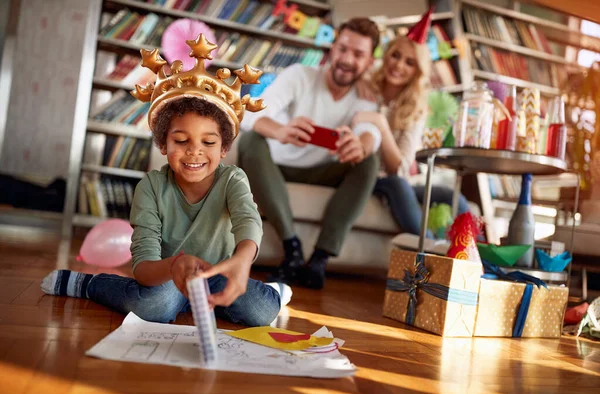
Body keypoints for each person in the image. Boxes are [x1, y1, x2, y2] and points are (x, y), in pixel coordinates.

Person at [40, 35, 291, 326]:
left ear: (224, 149)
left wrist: (242, 261)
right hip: (166, 279)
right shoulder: (151, 187)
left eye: (208, 142)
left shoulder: (233, 178)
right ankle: (88, 284)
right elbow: (143, 268)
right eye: (181, 140)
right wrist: (175, 265)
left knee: (261, 311)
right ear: (163, 144)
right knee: (155, 308)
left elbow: (248, 221)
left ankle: (271, 291)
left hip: (216, 277)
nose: (194, 150)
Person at [238, 17, 383, 290]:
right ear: (332, 48)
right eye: (342, 49)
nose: (347, 59)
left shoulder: (367, 95)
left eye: (358, 54)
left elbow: (371, 132)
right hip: (276, 166)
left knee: (369, 160)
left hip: (323, 170)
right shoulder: (300, 75)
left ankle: (320, 258)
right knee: (251, 141)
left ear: (369, 63)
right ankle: (291, 247)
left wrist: (360, 144)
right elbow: (251, 113)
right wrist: (280, 130)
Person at [352, 16, 469, 239]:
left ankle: (468, 255)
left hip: (394, 178)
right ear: (386, 55)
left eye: (409, 62)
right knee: (396, 185)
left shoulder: (416, 108)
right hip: (365, 175)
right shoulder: (365, 86)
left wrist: (381, 124)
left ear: (417, 71)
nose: (398, 65)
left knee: (452, 197)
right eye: (395, 56)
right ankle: (431, 250)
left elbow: (401, 167)